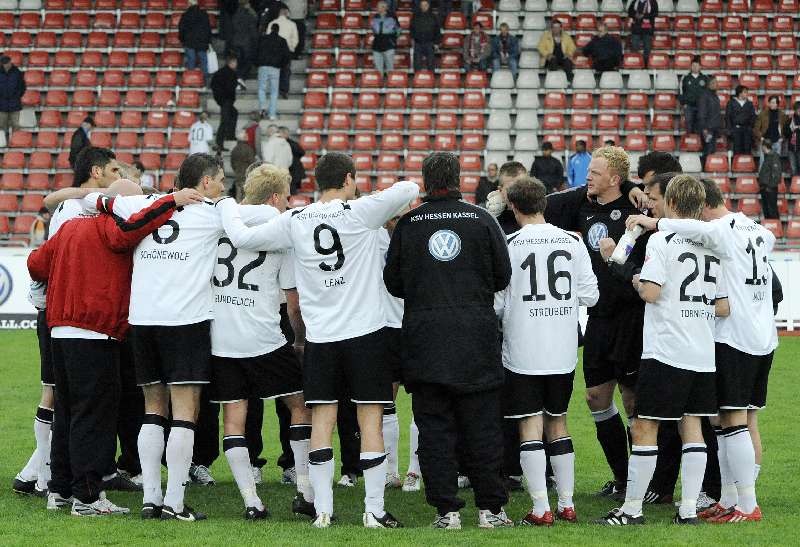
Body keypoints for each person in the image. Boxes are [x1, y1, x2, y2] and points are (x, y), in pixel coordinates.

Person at [218, 153, 419, 529]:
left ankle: (323, 510)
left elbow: (242, 236)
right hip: (365, 334)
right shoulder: (361, 212)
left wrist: (226, 203)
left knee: (322, 421)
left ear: (315, 182)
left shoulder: (295, 219)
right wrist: (372, 198)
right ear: (349, 179)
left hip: (321, 339)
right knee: (370, 419)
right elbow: (409, 188)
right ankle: (374, 510)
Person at [28, 180, 202, 517]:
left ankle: (60, 490)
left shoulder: (69, 227)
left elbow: (36, 264)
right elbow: (137, 225)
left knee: (67, 412)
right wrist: (172, 200)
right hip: (96, 331)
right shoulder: (113, 228)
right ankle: (88, 496)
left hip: (60, 330)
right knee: (93, 415)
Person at [627, 177, 777, 524]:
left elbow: (688, 229)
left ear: (703, 206)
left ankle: (747, 503)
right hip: (762, 334)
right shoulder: (758, 230)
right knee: (730, 420)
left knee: (733, 421)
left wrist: (652, 222)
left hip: (733, 336)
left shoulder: (719, 231)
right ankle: (729, 498)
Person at [383, 152, 512, 530]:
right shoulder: (482, 219)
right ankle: (491, 510)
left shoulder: (409, 224)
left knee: (434, 429)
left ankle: (447, 512)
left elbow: (393, 282)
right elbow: (503, 275)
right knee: (483, 428)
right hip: (475, 337)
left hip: (426, 340)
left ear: (424, 182)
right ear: (459, 179)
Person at [597, 175, 728, 526]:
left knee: (645, 427)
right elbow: (723, 306)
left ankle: (632, 509)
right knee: (693, 428)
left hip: (667, 348)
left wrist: (637, 279)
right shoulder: (713, 245)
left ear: (670, 202)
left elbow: (651, 293)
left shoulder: (662, 240)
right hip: (702, 351)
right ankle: (688, 510)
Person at [542, 146, 650, 502]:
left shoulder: (637, 211)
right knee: (595, 397)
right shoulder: (581, 206)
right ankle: (621, 478)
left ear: (614, 179)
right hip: (598, 317)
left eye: (595, 172)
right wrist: (629, 184)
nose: (587, 177)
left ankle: (640, 483)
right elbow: (541, 206)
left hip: (632, 317)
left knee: (633, 401)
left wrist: (633, 187)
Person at [209, 164, 314, 519]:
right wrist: (299, 341)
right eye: (285, 197)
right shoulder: (280, 231)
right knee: (301, 406)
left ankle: (251, 502)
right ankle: (304, 490)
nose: (287, 204)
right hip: (264, 337)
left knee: (233, 418)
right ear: (274, 197)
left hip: (221, 338)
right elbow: (293, 301)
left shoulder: (220, 224)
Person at [497, 176, 599, 526]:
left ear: (513, 206)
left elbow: (496, 303)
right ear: (544, 203)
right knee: (558, 421)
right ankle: (567, 504)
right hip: (562, 349)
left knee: (529, 424)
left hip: (522, 349)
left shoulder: (509, 243)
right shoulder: (573, 241)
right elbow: (591, 296)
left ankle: (541, 507)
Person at [256, 23, 291, 120]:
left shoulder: (262, 39)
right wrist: (281, 65)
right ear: (278, 30)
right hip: (275, 68)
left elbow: (255, 51)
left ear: (270, 29)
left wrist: (257, 63)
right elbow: (287, 56)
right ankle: (272, 114)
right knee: (274, 92)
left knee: (261, 88)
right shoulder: (282, 41)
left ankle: (263, 107)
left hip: (263, 66)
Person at [178, 0, 212, 84]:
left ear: (190, 4)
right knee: (204, 61)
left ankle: (191, 81)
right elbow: (208, 29)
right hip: (202, 41)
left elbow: (181, 29)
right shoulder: (204, 14)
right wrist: (208, 41)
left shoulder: (186, 15)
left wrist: (182, 39)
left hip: (189, 42)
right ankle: (205, 81)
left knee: (191, 60)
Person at [211, 55, 239, 152]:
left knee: (234, 113)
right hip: (226, 100)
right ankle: (219, 143)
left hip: (224, 100)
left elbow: (213, 85)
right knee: (225, 121)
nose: (236, 64)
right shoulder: (230, 73)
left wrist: (219, 98)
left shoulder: (221, 72)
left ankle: (230, 135)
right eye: (235, 62)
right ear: (231, 63)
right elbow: (230, 87)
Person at [271, 5, 298, 100]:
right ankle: (284, 91)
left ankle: (275, 90)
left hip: (274, 50)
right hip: (287, 51)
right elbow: (295, 39)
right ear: (287, 14)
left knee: (275, 71)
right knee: (285, 71)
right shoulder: (292, 24)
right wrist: (291, 48)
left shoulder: (272, 23)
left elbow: (268, 37)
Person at [680, 57, 709, 135]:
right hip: (689, 106)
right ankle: (690, 141)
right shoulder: (685, 78)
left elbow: (708, 93)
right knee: (689, 125)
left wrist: (706, 104)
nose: (695, 67)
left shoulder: (705, 78)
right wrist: (684, 103)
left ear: (700, 67)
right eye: (693, 65)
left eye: (697, 65)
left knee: (700, 126)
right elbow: (681, 91)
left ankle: (698, 141)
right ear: (690, 66)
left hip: (701, 106)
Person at [229, 0, 259, 79]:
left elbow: (232, 28)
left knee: (238, 60)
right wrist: (256, 41)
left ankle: (237, 75)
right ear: (246, 5)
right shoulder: (249, 15)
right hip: (246, 43)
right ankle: (241, 77)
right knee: (247, 60)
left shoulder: (235, 15)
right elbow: (253, 30)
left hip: (236, 41)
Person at [697, 76, 722, 167]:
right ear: (709, 84)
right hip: (708, 128)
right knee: (707, 151)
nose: (716, 84)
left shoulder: (715, 95)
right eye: (714, 83)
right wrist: (704, 128)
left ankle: (709, 169)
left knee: (712, 151)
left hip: (714, 128)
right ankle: (705, 169)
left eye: (716, 82)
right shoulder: (704, 96)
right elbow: (702, 113)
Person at [754, 95, 788, 160]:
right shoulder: (762, 114)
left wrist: (782, 138)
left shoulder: (782, 114)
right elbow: (756, 128)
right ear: (769, 103)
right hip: (765, 141)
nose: (772, 104)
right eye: (771, 102)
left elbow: (786, 128)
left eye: (774, 103)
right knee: (763, 161)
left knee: (776, 162)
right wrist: (760, 137)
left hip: (777, 141)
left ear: (777, 104)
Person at [726, 85, 756, 155]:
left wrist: (750, 127)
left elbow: (753, 117)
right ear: (740, 93)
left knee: (747, 150)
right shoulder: (731, 103)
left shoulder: (749, 104)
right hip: (736, 130)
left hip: (747, 130)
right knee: (737, 151)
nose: (747, 94)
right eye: (745, 92)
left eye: (747, 92)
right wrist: (730, 130)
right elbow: (728, 117)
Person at [411, 0, 440, 71]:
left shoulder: (434, 16)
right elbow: (412, 28)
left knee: (431, 64)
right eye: (422, 5)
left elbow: (437, 30)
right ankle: (417, 77)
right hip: (418, 43)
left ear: (428, 6)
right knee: (417, 64)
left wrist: (436, 43)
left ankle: (431, 77)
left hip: (430, 43)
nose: (424, 7)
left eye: (425, 5)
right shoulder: (415, 16)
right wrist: (412, 38)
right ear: (420, 6)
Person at [0, 54, 25, 138]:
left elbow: (22, 86)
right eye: (5, 63)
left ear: (10, 62)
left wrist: (17, 96)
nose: (7, 65)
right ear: (2, 64)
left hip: (15, 103)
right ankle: (3, 142)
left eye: (8, 63)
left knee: (15, 125)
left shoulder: (17, 72)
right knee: (1, 126)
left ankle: (15, 142)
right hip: (1, 104)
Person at [372, 1, 399, 75]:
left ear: (385, 8)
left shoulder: (392, 17)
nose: (378, 8)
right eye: (378, 7)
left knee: (390, 69)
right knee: (378, 71)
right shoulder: (375, 17)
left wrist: (392, 39)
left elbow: (398, 30)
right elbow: (374, 30)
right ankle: (379, 82)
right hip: (376, 46)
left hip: (389, 46)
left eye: (380, 7)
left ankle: (390, 82)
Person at [627, 0, 658, 66]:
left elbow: (655, 13)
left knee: (647, 48)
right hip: (636, 28)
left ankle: (646, 64)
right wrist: (635, 15)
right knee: (635, 46)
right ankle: (636, 63)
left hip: (648, 29)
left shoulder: (653, 2)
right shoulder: (634, 1)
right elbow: (629, 12)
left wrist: (644, 16)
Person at [758, 139, 782, 220]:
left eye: (762, 146)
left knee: (772, 211)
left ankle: (775, 226)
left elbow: (777, 174)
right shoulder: (767, 156)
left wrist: (770, 186)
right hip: (764, 188)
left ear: (764, 146)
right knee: (766, 211)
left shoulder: (774, 156)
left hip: (770, 189)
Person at [230, 131, 257, 201]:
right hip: (247, 175)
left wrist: (237, 170)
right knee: (247, 195)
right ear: (244, 138)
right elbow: (252, 163)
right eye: (246, 136)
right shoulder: (248, 149)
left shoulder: (235, 149)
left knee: (238, 194)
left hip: (238, 174)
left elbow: (232, 163)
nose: (248, 137)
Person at [280, 126, 306, 194]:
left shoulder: (289, 144)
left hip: (293, 171)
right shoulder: (292, 143)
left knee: (292, 192)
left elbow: (302, 152)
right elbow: (302, 152)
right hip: (293, 171)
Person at [785, 101, 800, 176]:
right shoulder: (790, 120)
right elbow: (785, 133)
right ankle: (795, 183)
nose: (799, 111)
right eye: (798, 109)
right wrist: (790, 129)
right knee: (793, 169)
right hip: (791, 148)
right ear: (795, 110)